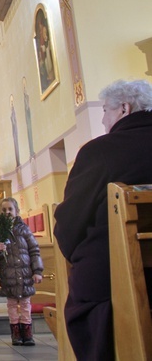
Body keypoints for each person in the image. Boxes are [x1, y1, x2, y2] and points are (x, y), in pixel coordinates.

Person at [54, 79, 152, 361]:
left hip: (111, 282)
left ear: (124, 108)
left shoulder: (99, 151)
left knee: (86, 298)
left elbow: (71, 222)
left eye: (106, 112)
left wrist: (76, 256)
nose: (104, 120)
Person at [0, 197, 43, 346]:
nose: (7, 212)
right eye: (4, 210)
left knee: (26, 305)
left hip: (25, 274)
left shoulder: (24, 229)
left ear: (16, 211)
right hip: (9, 276)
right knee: (12, 307)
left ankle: (27, 334)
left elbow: (34, 250)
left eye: (10, 209)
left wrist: (37, 270)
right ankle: (16, 334)